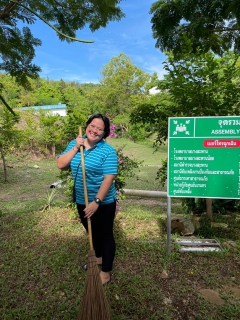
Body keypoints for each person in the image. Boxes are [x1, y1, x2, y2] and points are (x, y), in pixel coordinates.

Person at [57, 113, 118, 285]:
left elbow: (109, 178)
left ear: (104, 133)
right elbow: (61, 165)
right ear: (87, 126)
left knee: (105, 234)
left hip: (103, 202)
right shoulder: (76, 143)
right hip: (81, 199)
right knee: (91, 230)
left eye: (100, 129)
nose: (95, 130)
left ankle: (106, 271)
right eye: (93, 126)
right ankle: (98, 257)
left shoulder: (107, 151)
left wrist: (96, 202)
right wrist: (76, 147)